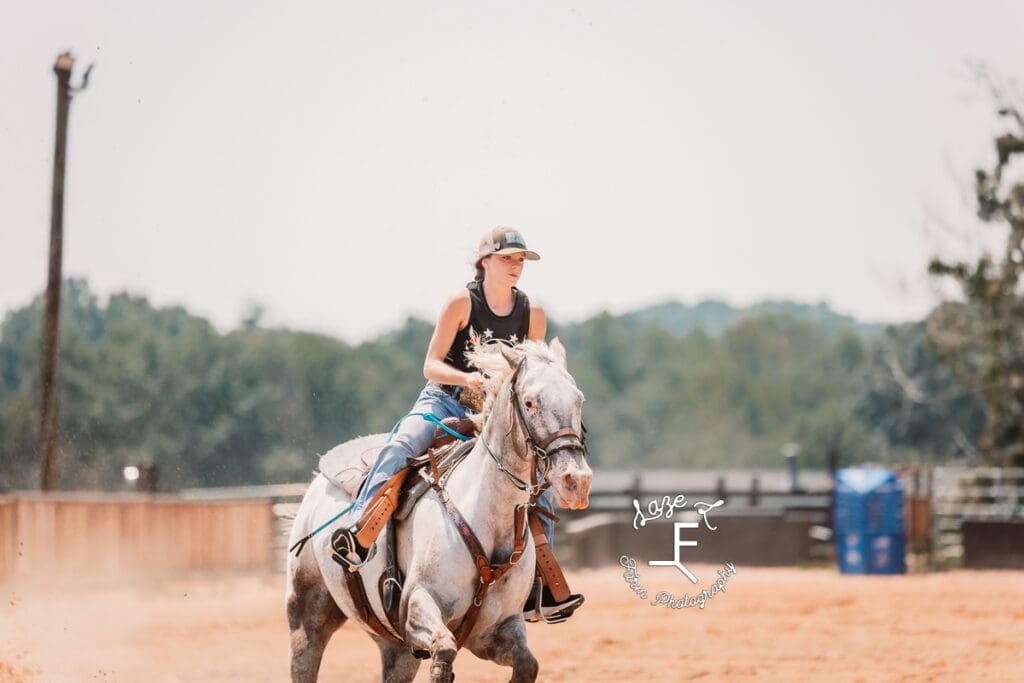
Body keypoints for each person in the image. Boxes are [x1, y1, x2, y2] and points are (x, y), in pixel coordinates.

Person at [330, 226, 583, 621]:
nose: (516, 266)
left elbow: (530, 375)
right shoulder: (461, 302)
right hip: (444, 398)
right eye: (507, 259)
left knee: (539, 482)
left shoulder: (533, 313)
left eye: (520, 260)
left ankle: (539, 585)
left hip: (497, 414)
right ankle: (359, 532)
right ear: (486, 262)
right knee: (401, 446)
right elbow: (429, 365)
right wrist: (467, 379)